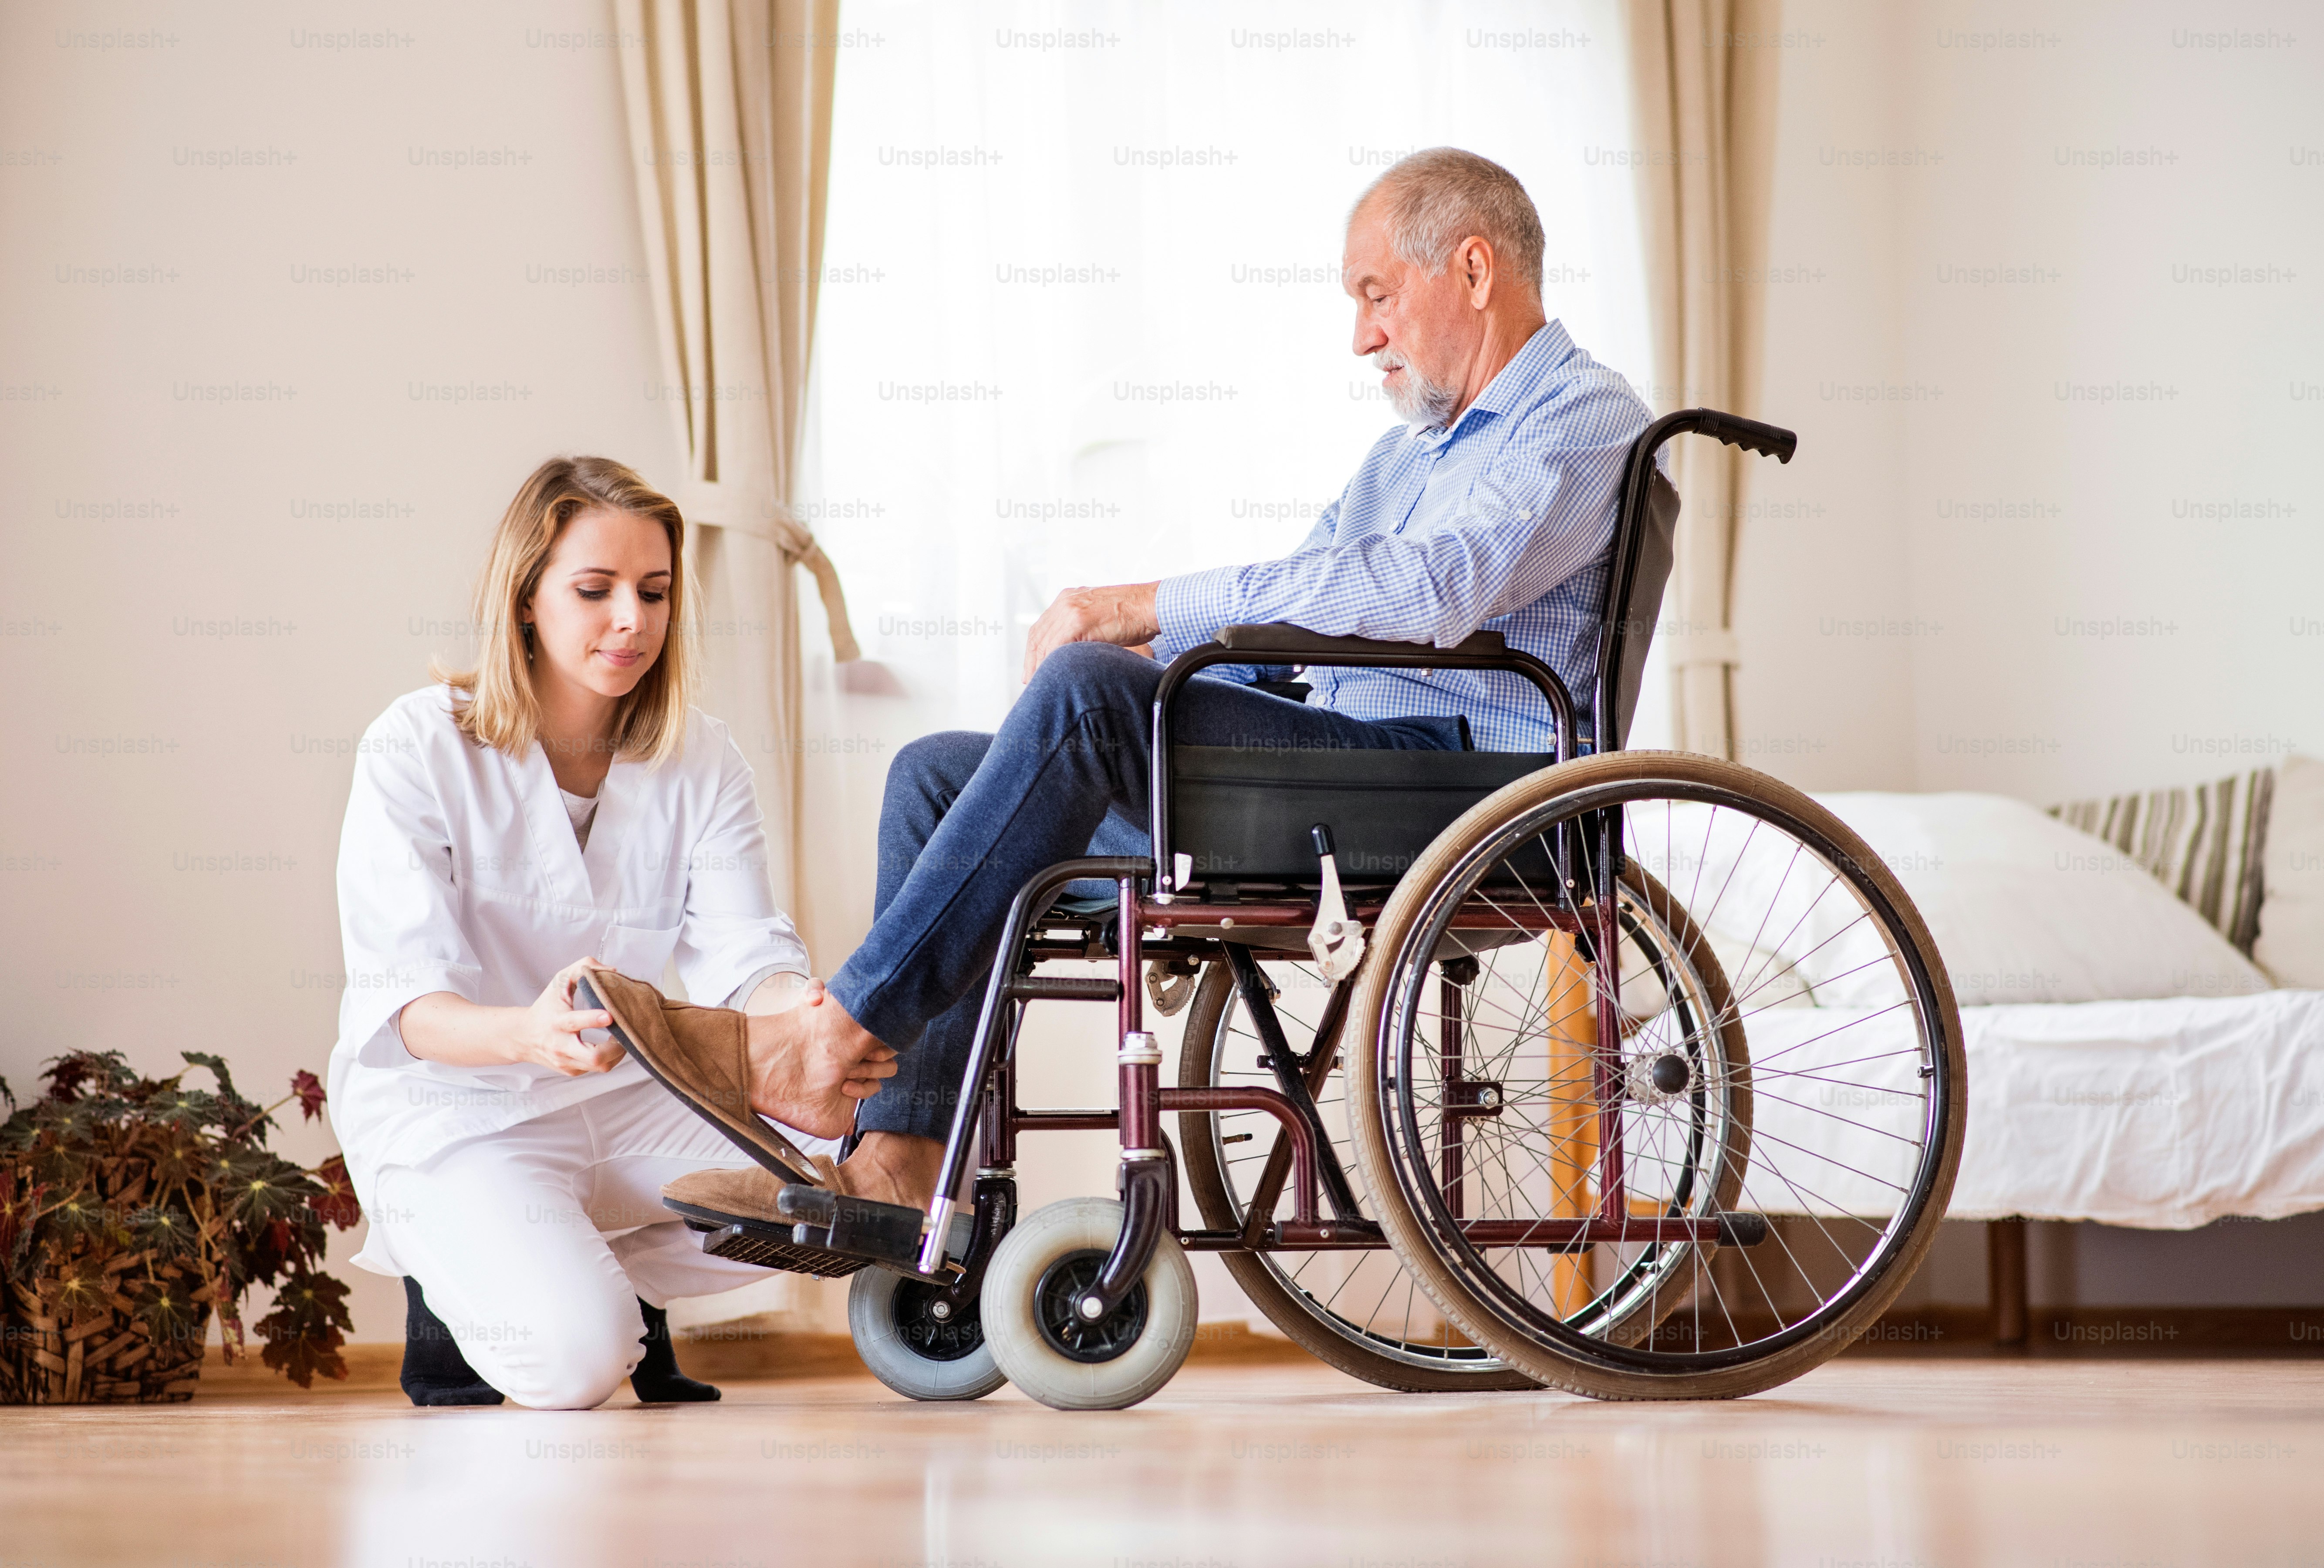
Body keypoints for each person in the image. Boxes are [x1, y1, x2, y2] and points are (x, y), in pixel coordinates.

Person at [656, 146, 1658, 1225]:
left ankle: (833, 1039)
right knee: (939, 774)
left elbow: (1431, 591)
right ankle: (903, 1154)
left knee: (1088, 685)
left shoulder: (1584, 416)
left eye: (1376, 296)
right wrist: (1163, 665)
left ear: (1471, 270)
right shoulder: (1403, 460)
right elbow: (1298, 626)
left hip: (1465, 794)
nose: (1362, 335)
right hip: (1354, 779)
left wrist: (1135, 610)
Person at [327, 456, 883, 1410]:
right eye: (596, 590)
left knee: (856, 1199)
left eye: (654, 592)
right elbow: (408, 1005)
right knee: (579, 1364)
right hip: (456, 1105)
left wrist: (810, 1015)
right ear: (526, 600)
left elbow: (747, 960)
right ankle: (474, 1279)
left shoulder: (701, 756)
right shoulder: (416, 746)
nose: (633, 619)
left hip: (627, 1091)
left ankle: (588, 1264)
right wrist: (526, 1033)